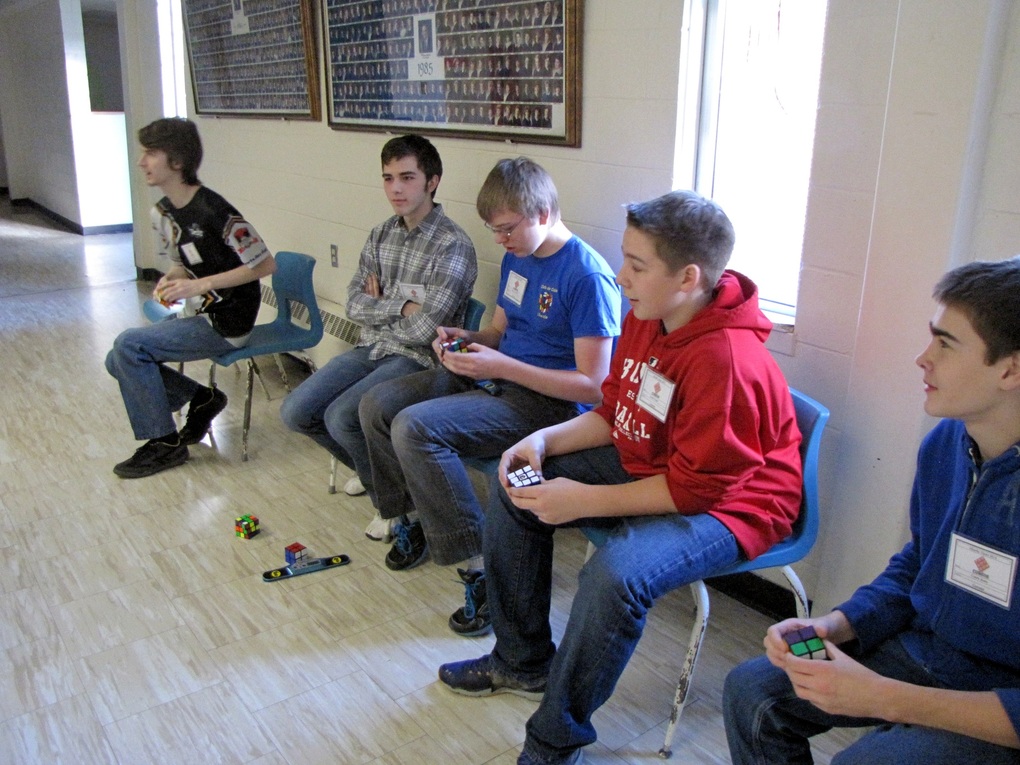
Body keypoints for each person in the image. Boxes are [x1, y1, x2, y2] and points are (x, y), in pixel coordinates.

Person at [437, 190, 803, 765]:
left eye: (636, 265)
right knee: (518, 488)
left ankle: (554, 741)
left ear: (688, 278)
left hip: (733, 503)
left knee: (616, 576)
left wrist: (584, 499)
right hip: (656, 462)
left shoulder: (725, 360)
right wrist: (541, 441)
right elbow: (614, 414)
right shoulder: (647, 315)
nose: (620, 275)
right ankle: (521, 662)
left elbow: (694, 490)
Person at [723, 257, 1020, 765]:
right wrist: (836, 625)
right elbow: (919, 565)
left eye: (946, 344)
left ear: (1010, 369)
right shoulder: (945, 444)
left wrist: (882, 696)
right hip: (930, 650)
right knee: (753, 692)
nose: (923, 359)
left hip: (999, 696)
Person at [359, 157, 621, 636]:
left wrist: (500, 366)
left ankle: (481, 569)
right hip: (499, 380)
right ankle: (412, 516)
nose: (500, 240)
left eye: (506, 229)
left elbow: (594, 387)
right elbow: (498, 331)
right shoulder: (519, 254)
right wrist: (467, 339)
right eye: (493, 230)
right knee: (377, 404)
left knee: (414, 428)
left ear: (542, 213)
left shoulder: (586, 276)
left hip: (550, 407)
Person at [279, 134, 477, 541]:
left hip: (420, 359)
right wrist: (400, 306)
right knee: (296, 411)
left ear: (432, 182)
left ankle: (398, 508)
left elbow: (425, 331)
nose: (395, 189)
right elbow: (353, 304)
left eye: (407, 177)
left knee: (342, 417)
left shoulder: (452, 245)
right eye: (388, 178)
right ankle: (379, 475)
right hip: (372, 347)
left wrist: (382, 304)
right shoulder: (381, 234)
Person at [106, 117, 276, 479]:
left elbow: (264, 264)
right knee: (116, 358)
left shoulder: (217, 211)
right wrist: (172, 279)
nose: (141, 162)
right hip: (198, 315)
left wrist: (201, 286)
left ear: (178, 161)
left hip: (228, 321)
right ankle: (201, 398)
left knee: (128, 346)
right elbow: (181, 264)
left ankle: (165, 443)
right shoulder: (162, 213)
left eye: (151, 153)